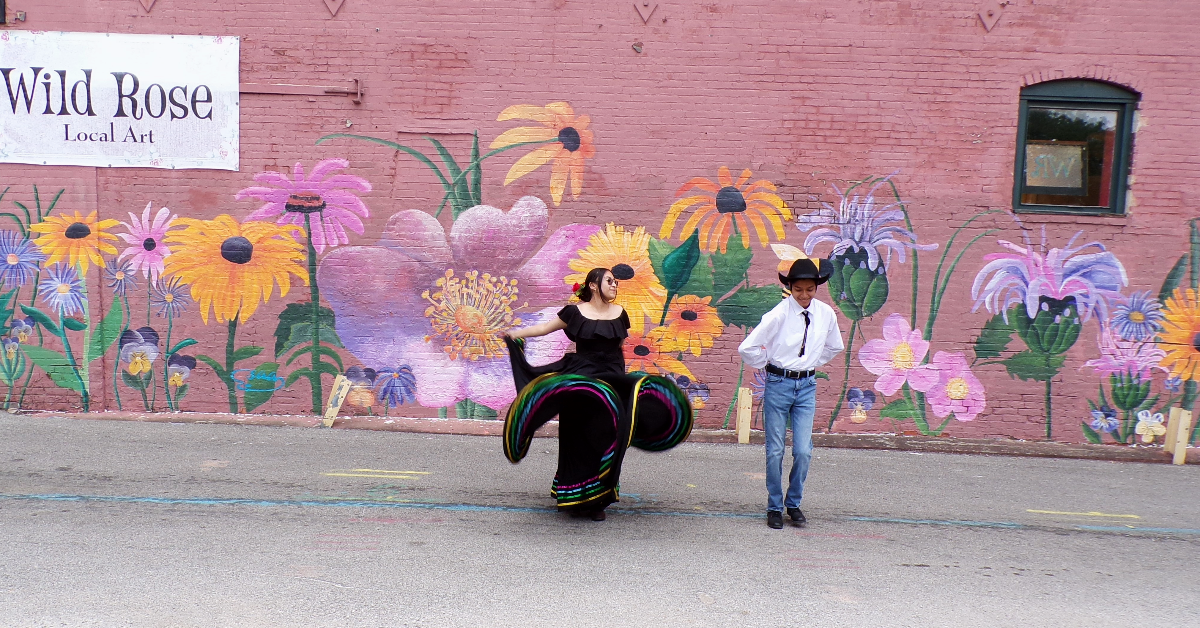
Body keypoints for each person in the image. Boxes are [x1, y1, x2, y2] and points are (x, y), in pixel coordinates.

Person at [502, 267, 693, 522]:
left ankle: (599, 500)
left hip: (610, 383)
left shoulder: (620, 314)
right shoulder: (574, 312)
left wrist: (623, 389)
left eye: (615, 282)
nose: (615, 285)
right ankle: (575, 497)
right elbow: (545, 328)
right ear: (593, 285)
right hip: (582, 383)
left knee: (607, 437)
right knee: (577, 438)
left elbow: (619, 351)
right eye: (609, 281)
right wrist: (515, 335)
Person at [737, 254, 843, 529]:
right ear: (790, 288)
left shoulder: (826, 314)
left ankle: (793, 503)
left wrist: (811, 363)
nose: (804, 295)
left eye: (809, 290)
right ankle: (774, 506)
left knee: (804, 451)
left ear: (816, 288)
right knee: (775, 450)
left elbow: (835, 346)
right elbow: (747, 348)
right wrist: (770, 365)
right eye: (798, 290)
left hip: (807, 386)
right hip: (779, 385)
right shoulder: (778, 314)